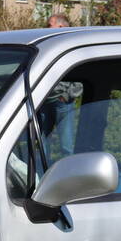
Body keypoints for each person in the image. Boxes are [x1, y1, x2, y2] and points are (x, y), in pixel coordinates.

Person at [40, 14, 83, 157]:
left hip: (62, 102)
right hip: (44, 101)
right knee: (41, 143)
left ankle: (70, 176)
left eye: (49, 24)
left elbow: (79, 76)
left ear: (60, 26)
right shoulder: (47, 45)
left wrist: (66, 96)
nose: (46, 27)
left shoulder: (72, 45)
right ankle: (41, 175)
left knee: (66, 145)